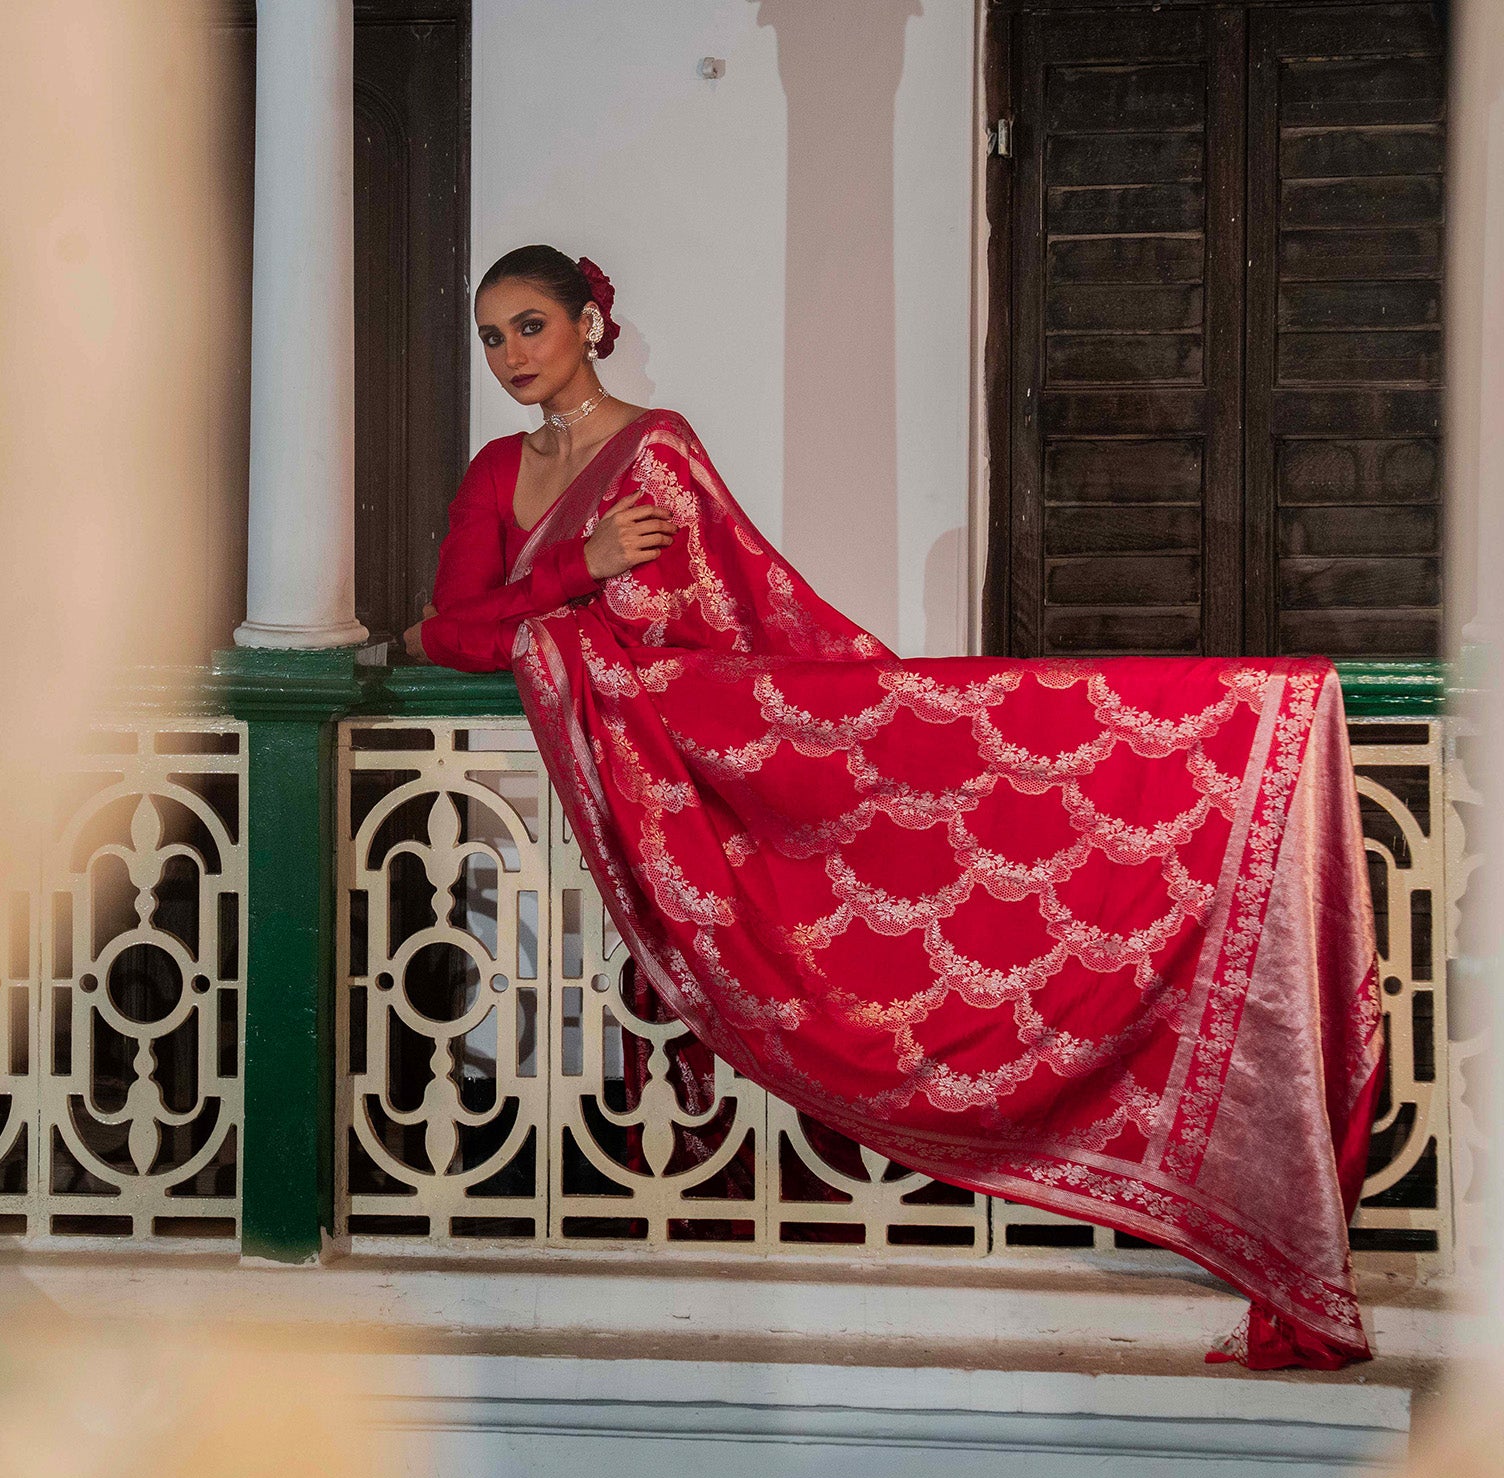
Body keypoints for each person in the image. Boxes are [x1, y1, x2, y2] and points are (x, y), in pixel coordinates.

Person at [402, 244, 1387, 1372]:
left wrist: (555, 612)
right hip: (614, 784)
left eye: (529, 325)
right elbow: (446, 629)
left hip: (688, 769)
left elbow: (721, 628)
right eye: (490, 336)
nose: (509, 355)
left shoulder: (655, 452)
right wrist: (573, 569)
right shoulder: (495, 470)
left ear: (587, 323)